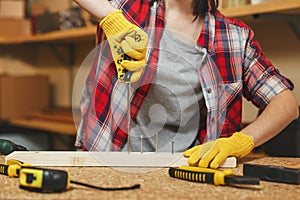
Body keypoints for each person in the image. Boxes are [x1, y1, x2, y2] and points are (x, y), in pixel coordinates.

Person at [73, 0, 299, 169]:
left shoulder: (233, 37)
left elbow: (286, 103)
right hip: (108, 158)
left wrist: (242, 141)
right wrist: (111, 18)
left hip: (182, 167)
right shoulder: (129, 8)